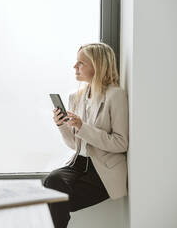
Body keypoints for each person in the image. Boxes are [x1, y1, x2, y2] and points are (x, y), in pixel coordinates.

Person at [42, 42, 129, 228]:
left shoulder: (116, 96)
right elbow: (75, 144)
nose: (75, 67)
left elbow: (121, 143)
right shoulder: (76, 97)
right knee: (52, 181)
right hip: (78, 165)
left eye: (81, 63)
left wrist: (83, 127)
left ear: (98, 66)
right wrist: (62, 125)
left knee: (55, 200)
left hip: (102, 170)